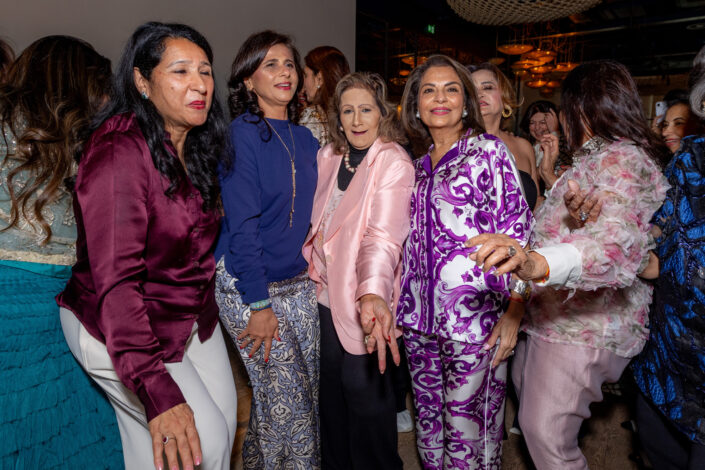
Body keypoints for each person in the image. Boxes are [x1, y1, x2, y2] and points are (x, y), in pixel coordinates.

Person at [467, 60, 670, 470]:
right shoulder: (592, 158)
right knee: (530, 409)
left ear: (582, 107)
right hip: (551, 314)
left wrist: (535, 264)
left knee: (545, 431)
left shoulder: (623, 159)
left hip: (585, 323)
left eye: (564, 106)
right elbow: (572, 223)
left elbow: (613, 246)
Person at [57, 22, 236, 470]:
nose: (200, 84)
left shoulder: (195, 145)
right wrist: (156, 389)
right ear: (142, 81)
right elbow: (117, 283)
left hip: (189, 317)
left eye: (205, 71)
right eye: (180, 71)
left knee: (214, 437)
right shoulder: (119, 152)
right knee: (200, 444)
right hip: (120, 322)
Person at [397, 54, 533, 469]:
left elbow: (522, 238)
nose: (440, 98)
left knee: (468, 441)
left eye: (451, 89)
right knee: (430, 437)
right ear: (416, 105)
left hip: (476, 325)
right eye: (429, 90)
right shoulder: (413, 167)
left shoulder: (488, 152)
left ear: (465, 102)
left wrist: (515, 312)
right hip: (419, 324)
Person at [0, 35, 120, 469]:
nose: (105, 99)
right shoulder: (81, 140)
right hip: (25, 308)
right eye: (98, 87)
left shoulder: (81, 139)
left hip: (59, 308)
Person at [215, 30, 320, 469]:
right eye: (270, 64)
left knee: (296, 398)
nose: (284, 72)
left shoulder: (307, 140)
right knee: (291, 411)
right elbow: (242, 227)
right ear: (248, 80)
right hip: (248, 283)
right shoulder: (240, 136)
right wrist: (258, 303)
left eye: (289, 64)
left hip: (298, 282)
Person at [302, 71, 412, 469]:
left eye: (366, 109)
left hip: (366, 297)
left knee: (365, 401)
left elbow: (382, 237)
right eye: (347, 110)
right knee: (330, 399)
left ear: (383, 113)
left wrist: (372, 292)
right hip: (324, 294)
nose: (357, 120)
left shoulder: (393, 161)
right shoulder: (329, 156)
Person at [630, 44, 705, 469]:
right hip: (668, 356)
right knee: (659, 452)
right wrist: (614, 236)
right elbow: (657, 255)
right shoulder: (688, 160)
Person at [468, 63, 539, 210]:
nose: (479, 94)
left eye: (487, 87)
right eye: (472, 91)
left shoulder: (523, 146)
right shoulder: (458, 147)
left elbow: (536, 205)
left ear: (504, 97)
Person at [299, 46, 350, 146]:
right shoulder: (348, 113)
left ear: (319, 78)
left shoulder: (312, 115)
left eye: (306, 75)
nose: (303, 82)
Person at [520, 100, 572, 192]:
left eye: (543, 122)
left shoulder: (566, 146)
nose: (537, 127)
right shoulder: (522, 146)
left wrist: (554, 133)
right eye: (532, 123)